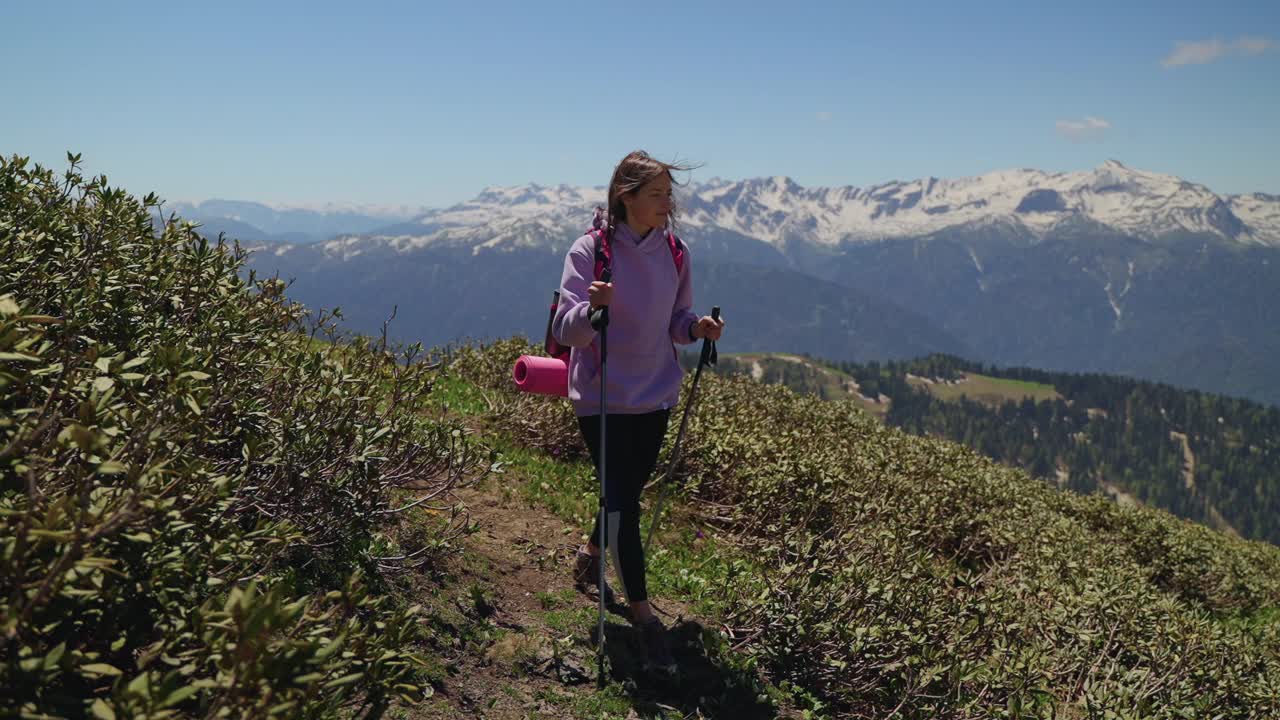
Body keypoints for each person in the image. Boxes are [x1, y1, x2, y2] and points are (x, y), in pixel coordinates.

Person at [551, 150, 725, 672]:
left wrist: (696, 330)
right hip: (601, 397)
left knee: (621, 494)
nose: (667, 203)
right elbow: (567, 330)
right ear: (626, 197)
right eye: (657, 195)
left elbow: (677, 319)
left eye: (669, 194)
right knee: (624, 500)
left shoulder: (676, 252)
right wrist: (592, 308)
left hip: (655, 395)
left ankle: (589, 555)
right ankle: (644, 616)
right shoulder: (589, 251)